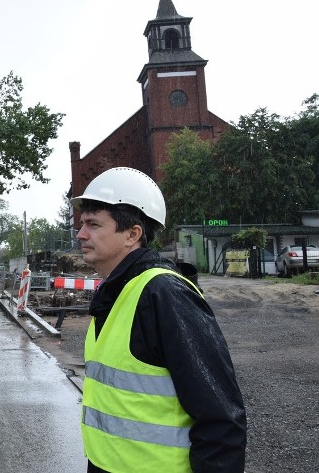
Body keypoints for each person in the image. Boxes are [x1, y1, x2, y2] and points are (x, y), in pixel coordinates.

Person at [72, 167, 246, 473]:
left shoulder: (164, 294)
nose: (81, 234)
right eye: (82, 224)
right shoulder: (117, 292)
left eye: (93, 224)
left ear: (132, 234)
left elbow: (221, 418)